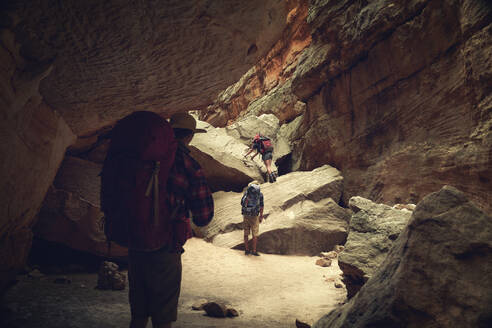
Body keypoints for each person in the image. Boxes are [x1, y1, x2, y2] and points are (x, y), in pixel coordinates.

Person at [128, 112, 213, 328]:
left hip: (136, 241)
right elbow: (203, 217)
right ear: (190, 136)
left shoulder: (143, 158)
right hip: (166, 245)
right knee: (162, 316)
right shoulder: (189, 165)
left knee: (138, 314)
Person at [241, 183, 264, 256]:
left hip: (246, 215)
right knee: (255, 234)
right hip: (254, 216)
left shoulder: (247, 193)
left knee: (246, 233)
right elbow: (261, 206)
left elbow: (242, 203)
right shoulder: (260, 194)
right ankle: (254, 251)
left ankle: (247, 250)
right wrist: (261, 216)